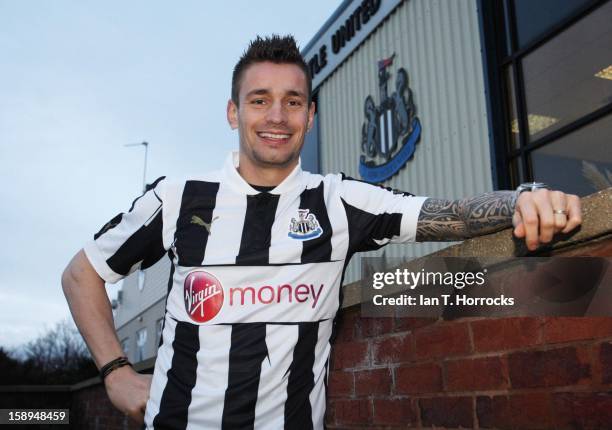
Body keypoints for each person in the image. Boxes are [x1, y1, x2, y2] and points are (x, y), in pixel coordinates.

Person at [61, 35, 582, 429]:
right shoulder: (178, 198)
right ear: (232, 111)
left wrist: (524, 196)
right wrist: (115, 371)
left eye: (293, 101)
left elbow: (449, 213)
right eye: (259, 99)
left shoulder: (339, 200)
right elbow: (82, 274)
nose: (276, 115)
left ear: (310, 116)